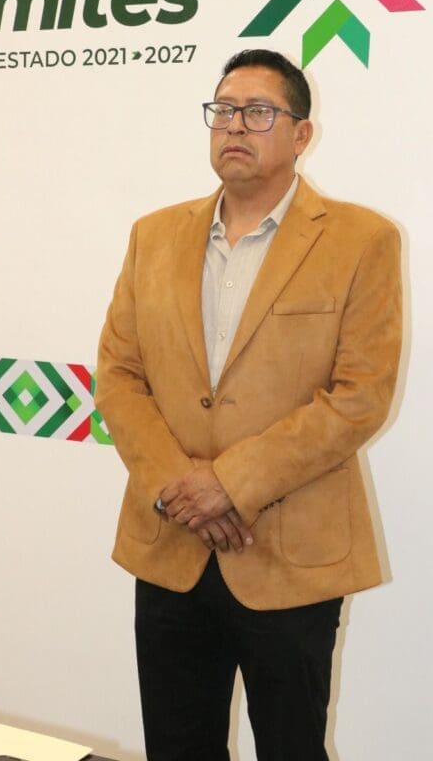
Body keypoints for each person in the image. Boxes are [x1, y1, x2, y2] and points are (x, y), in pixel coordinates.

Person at [95, 48, 402, 761]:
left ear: (301, 134)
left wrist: (229, 484)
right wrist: (179, 487)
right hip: (170, 546)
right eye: (224, 110)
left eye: (259, 112)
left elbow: (360, 396)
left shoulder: (362, 240)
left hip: (292, 556)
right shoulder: (152, 235)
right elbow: (119, 375)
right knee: (177, 748)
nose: (234, 125)